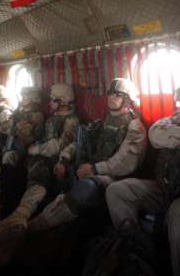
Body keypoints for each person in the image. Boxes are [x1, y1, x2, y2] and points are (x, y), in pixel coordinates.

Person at [106, 76, 180, 276]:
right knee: (117, 190)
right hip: (165, 189)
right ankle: (136, 250)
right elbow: (155, 135)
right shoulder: (173, 122)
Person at [23, 78, 147, 235]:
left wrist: (95, 169)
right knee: (59, 175)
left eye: (117, 95)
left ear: (128, 100)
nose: (111, 97)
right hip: (93, 168)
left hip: (115, 177)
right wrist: (64, 158)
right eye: (110, 93)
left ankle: (36, 226)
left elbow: (125, 162)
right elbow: (79, 141)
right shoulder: (102, 122)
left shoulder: (135, 126)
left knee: (87, 186)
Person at [0, 83, 79, 249]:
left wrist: (36, 148)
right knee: (3, 166)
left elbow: (61, 144)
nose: (50, 103)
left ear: (64, 101)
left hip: (49, 160)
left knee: (38, 172)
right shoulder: (52, 118)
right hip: (33, 155)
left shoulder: (72, 121)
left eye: (53, 100)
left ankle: (18, 216)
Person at [2, 86, 44, 168]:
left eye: (26, 96)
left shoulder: (37, 115)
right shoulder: (19, 111)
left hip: (27, 147)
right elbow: (6, 125)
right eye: (22, 96)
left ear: (33, 98)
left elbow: (33, 136)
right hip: (13, 143)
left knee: (8, 157)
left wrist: (16, 130)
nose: (23, 98)